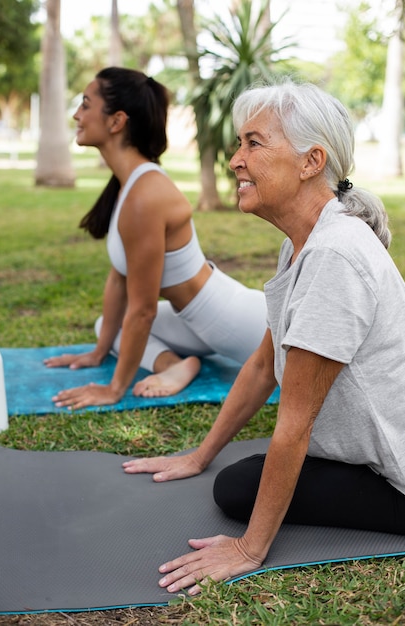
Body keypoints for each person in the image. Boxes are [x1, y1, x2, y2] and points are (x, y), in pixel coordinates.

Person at [122, 79, 405, 596]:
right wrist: (198, 455)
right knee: (233, 477)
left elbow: (295, 424)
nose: (235, 160)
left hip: (397, 479)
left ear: (311, 161)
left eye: (254, 143)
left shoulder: (333, 255)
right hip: (371, 455)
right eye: (238, 144)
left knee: (239, 488)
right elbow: (260, 366)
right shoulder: (305, 242)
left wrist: (250, 549)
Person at [44, 67, 267, 409]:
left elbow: (144, 310)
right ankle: (177, 366)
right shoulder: (128, 185)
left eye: (86, 104)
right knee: (107, 323)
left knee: (300, 364)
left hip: (237, 321)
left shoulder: (145, 194)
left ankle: (181, 364)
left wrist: (114, 389)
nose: (77, 114)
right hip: (191, 319)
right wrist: (98, 353)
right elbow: (119, 279)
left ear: (117, 121)